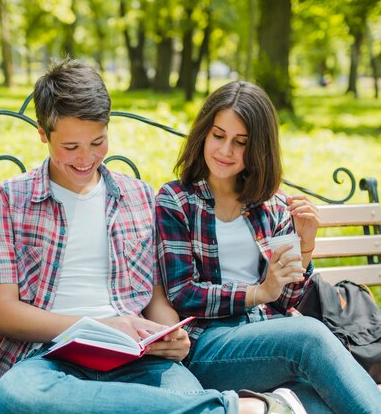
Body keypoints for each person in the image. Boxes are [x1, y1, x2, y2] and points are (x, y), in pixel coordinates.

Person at [0, 58, 306, 414]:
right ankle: (234, 410)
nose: (86, 158)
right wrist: (99, 326)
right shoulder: (8, 200)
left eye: (98, 142)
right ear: (43, 134)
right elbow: (3, 312)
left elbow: (156, 297)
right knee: (18, 392)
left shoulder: (138, 197)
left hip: (137, 357)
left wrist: (170, 336)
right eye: (71, 147)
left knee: (183, 390)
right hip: (47, 356)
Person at [156, 80, 381, 414]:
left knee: (318, 401)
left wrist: (305, 248)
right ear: (204, 133)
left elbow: (286, 298)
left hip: (270, 338)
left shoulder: (271, 204)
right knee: (309, 336)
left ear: (258, 147)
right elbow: (182, 293)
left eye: (240, 142)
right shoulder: (176, 200)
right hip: (209, 345)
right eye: (218, 136)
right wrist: (257, 293)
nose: (225, 151)